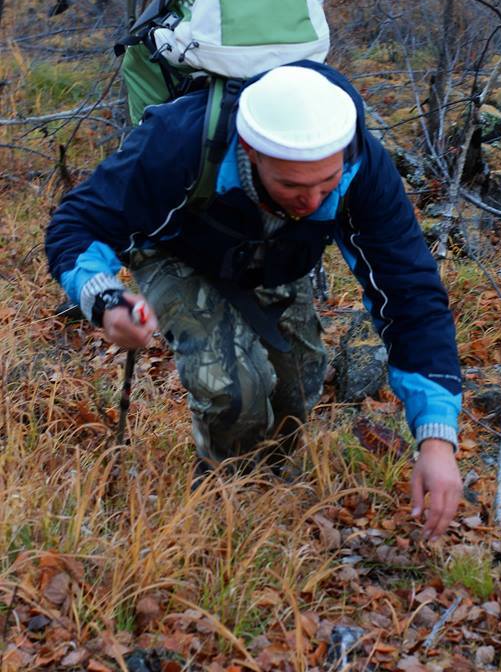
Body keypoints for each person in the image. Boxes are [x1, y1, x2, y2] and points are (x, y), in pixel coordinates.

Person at [46, 63, 463, 538]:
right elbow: (75, 225)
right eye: (291, 185)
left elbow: (410, 293)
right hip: (175, 248)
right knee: (233, 389)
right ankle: (227, 503)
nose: (311, 201)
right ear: (249, 150)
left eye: (325, 184)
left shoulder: (362, 166)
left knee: (299, 385)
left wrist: (436, 437)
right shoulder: (175, 143)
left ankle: (268, 477)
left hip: (272, 255)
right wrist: (105, 299)